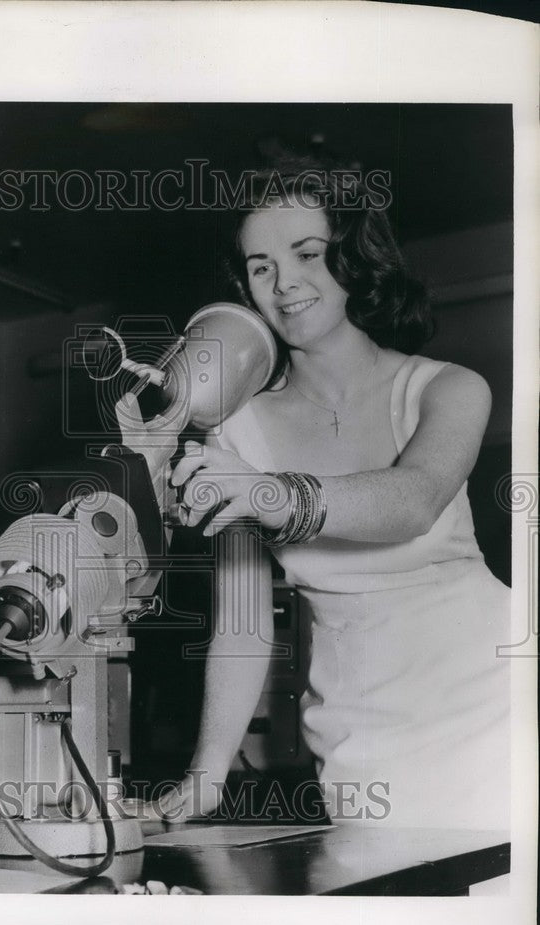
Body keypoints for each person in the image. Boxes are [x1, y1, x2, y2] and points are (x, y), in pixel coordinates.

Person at [158, 164, 511, 830]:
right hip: (355, 734)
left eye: (306, 254)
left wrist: (267, 494)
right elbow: (241, 623)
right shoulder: (234, 430)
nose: (284, 282)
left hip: (494, 704)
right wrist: (205, 775)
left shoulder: (448, 389)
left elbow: (411, 501)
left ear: (351, 260)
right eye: (259, 267)